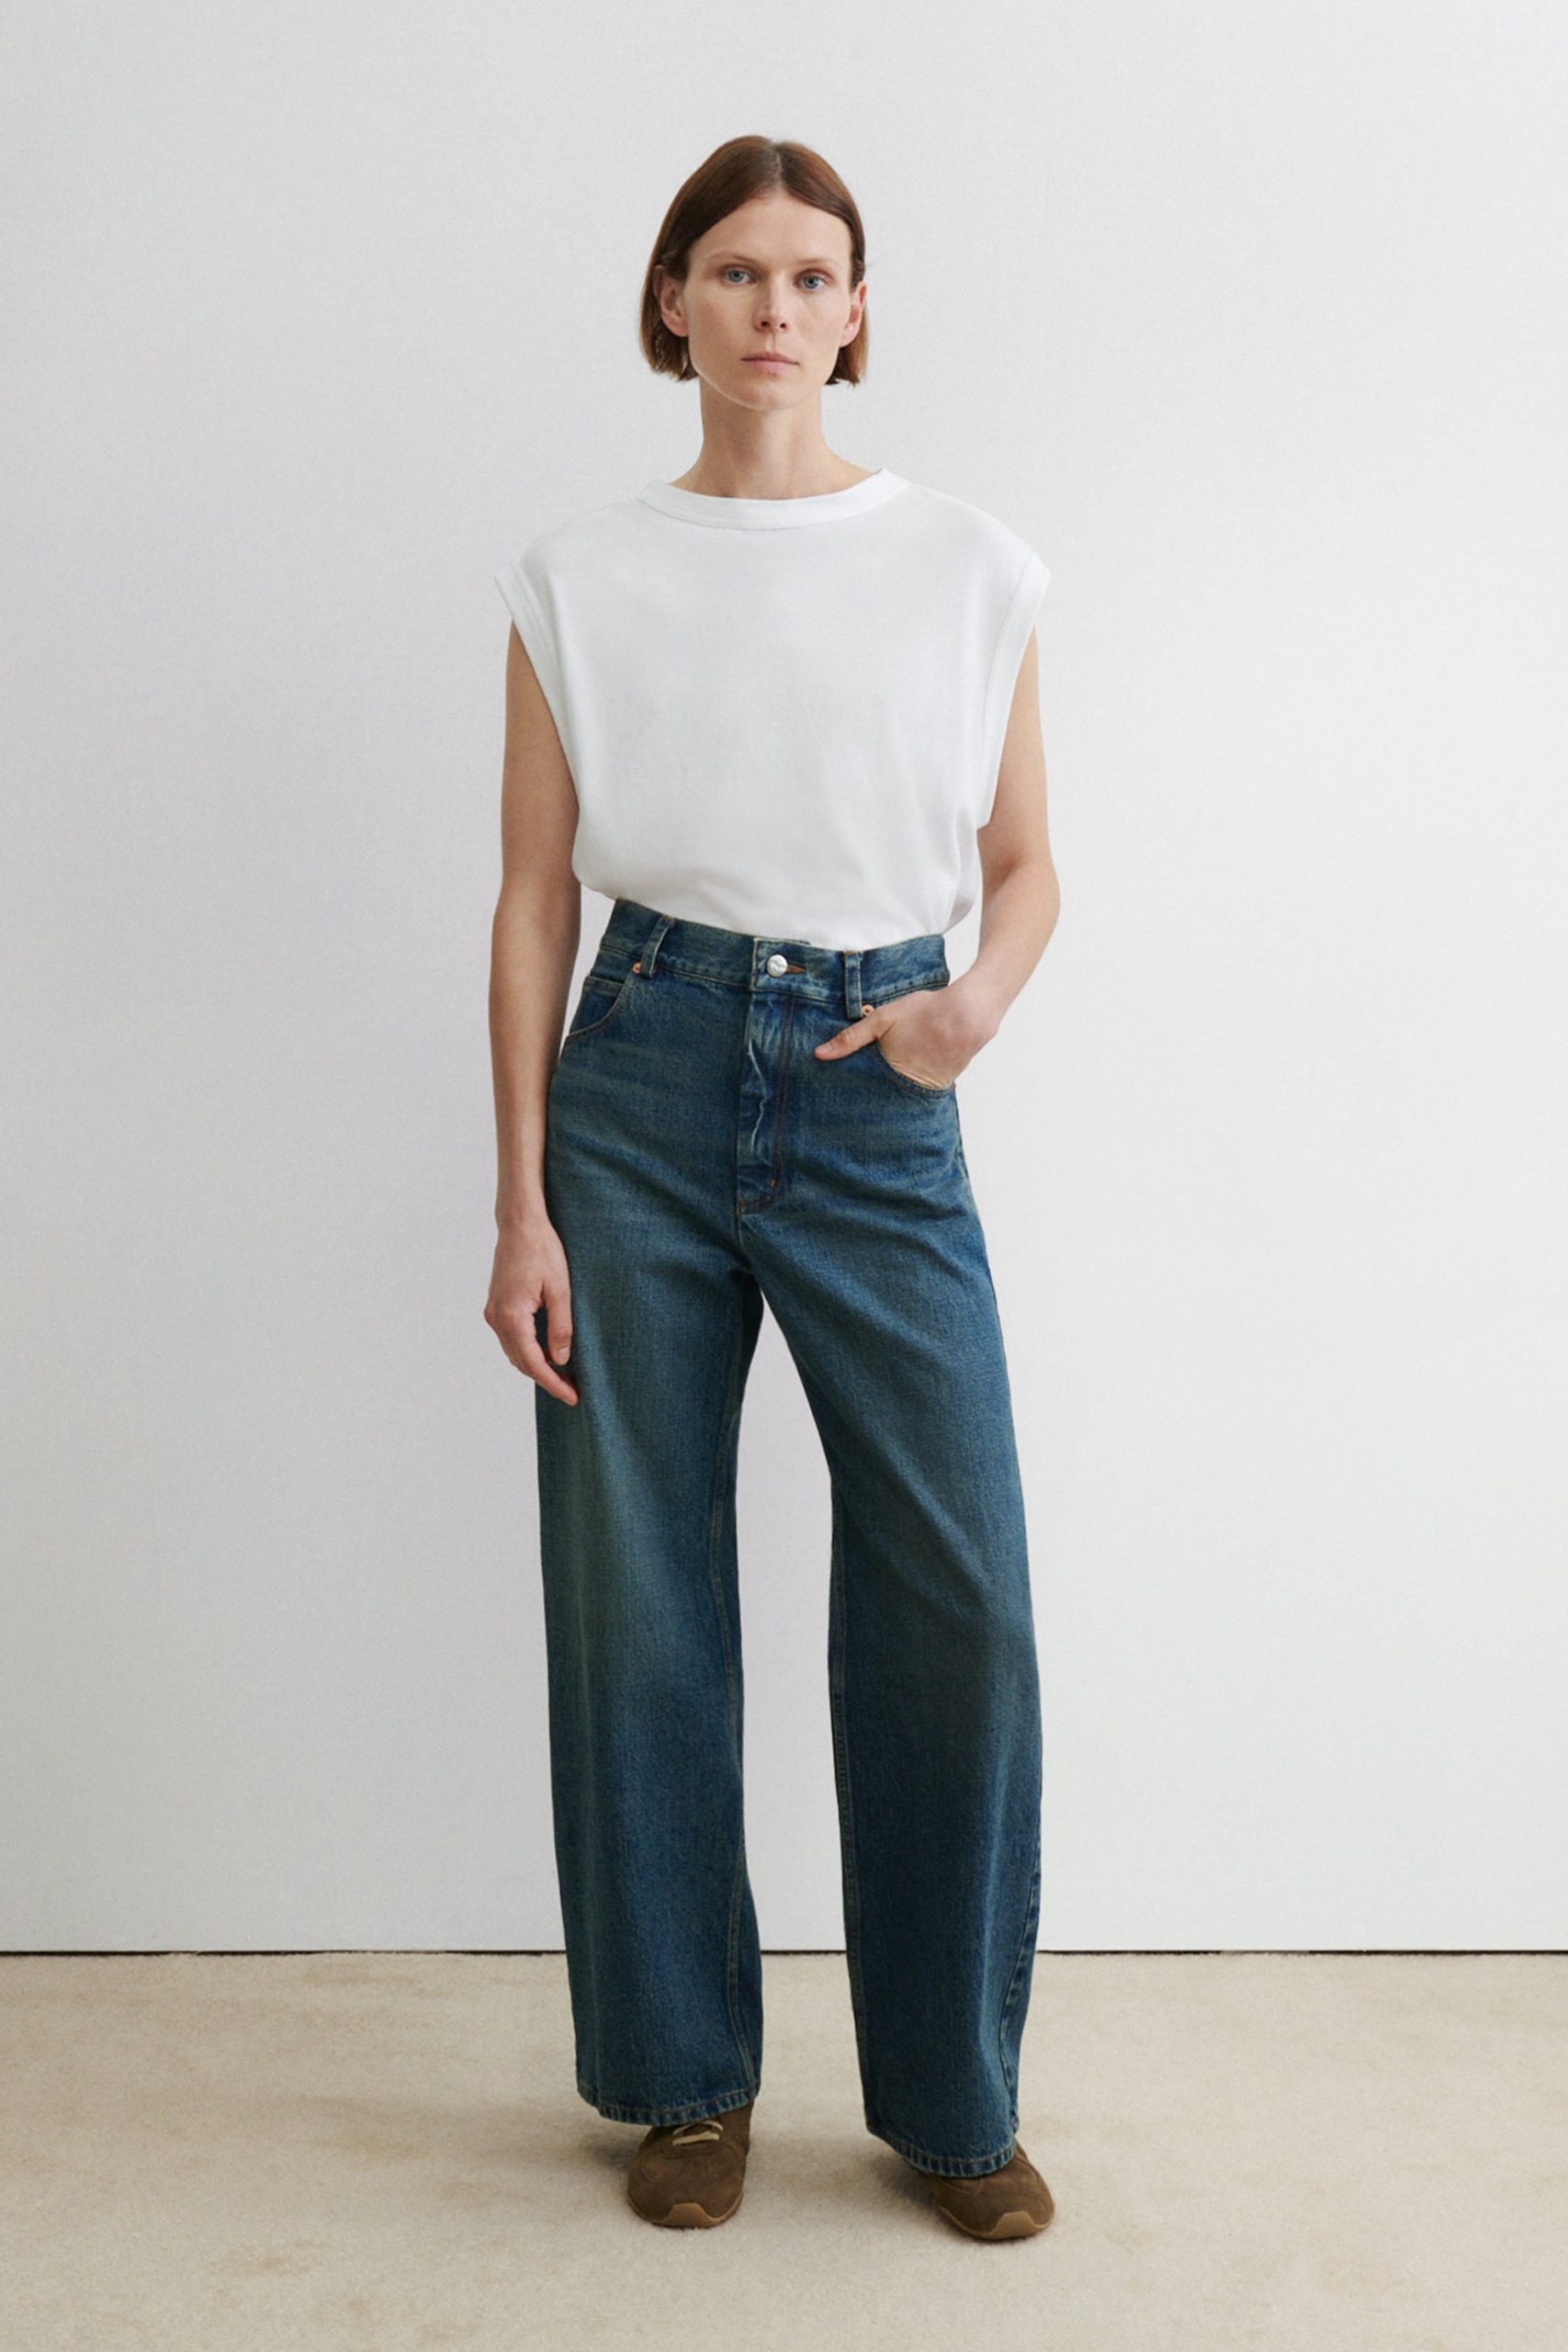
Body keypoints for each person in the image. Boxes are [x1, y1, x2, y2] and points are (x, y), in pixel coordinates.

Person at [485, 134, 1060, 2244]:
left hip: (875, 1079)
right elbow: (531, 898)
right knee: (637, 1592)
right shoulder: (577, 572)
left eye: (813, 275)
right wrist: (520, 1201)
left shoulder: (966, 563)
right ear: (671, 302)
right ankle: (680, 2080)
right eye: (734, 271)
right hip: (635, 1075)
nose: (774, 309)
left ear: (856, 311)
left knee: (955, 1592)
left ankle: (951, 2101)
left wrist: (968, 1008)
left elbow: (1025, 861)